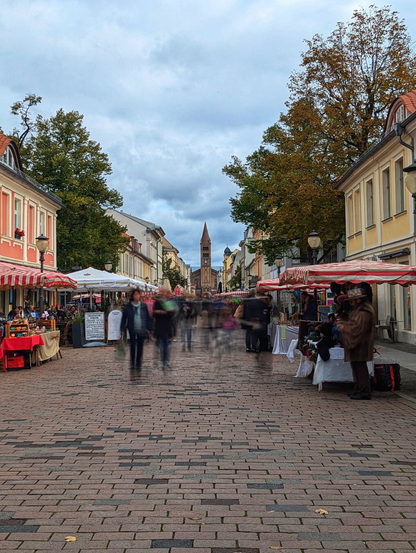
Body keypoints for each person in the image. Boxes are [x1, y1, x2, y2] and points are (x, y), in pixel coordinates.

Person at [338, 287, 376, 400]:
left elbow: (357, 328)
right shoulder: (358, 310)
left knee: (361, 368)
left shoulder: (364, 312)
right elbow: (354, 323)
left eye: (352, 300)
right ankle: (359, 389)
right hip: (358, 344)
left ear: (357, 300)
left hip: (361, 344)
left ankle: (364, 391)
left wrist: (343, 327)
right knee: (356, 367)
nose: (350, 303)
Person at [120, 288, 153, 370]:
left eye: (138, 294)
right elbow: (124, 318)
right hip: (132, 328)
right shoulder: (128, 306)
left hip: (141, 328)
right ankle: (132, 363)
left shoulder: (143, 305)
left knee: (140, 346)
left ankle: (138, 363)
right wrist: (122, 329)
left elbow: (147, 317)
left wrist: (149, 328)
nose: (137, 296)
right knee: (133, 346)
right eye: (135, 294)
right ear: (132, 296)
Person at [153, 288, 177, 369]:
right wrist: (163, 312)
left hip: (168, 327)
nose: (168, 294)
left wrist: (165, 312)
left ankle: (164, 362)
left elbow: (172, 313)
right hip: (159, 327)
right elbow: (154, 313)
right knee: (160, 345)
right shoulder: (158, 302)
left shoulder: (170, 302)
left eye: (168, 293)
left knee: (166, 346)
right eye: (166, 293)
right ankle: (159, 360)